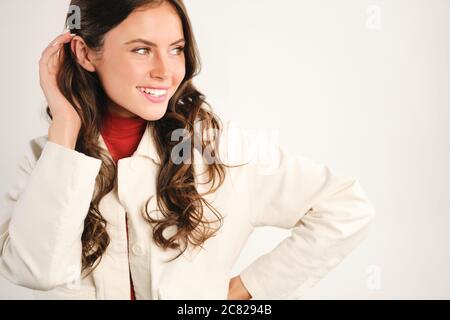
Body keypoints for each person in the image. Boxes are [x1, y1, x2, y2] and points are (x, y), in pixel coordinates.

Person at [0, 0, 375, 300]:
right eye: (142, 50)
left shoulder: (216, 150)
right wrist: (65, 125)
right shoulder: (46, 159)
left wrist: (250, 290)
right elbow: (36, 273)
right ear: (84, 53)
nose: (166, 70)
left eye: (176, 49)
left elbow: (344, 206)